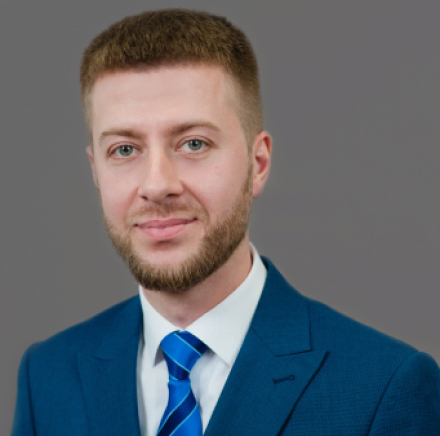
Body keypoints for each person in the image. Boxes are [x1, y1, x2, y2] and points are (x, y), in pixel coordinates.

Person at [12, 8, 440, 436]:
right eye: (124, 150)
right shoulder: (47, 376)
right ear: (95, 171)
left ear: (258, 164)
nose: (156, 185)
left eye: (193, 144)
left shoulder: (385, 388)